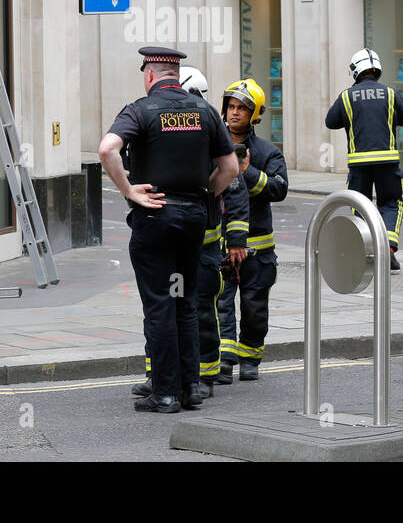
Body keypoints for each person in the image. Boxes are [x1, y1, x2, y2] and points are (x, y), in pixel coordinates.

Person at [100, 47, 237, 413]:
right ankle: (191, 386)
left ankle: (164, 393)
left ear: (149, 75)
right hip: (193, 221)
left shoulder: (139, 111)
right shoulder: (205, 112)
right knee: (185, 302)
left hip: (155, 219)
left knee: (160, 304)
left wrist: (129, 191)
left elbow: (107, 150)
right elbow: (231, 168)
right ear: (176, 76)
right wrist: (207, 192)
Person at [129, 66, 249, 401]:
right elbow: (228, 177)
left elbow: (234, 189)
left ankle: (196, 379)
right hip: (195, 239)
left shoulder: (205, 134)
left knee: (184, 309)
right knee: (178, 308)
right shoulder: (206, 127)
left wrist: (237, 239)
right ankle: (170, 379)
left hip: (201, 248)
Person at [215, 78, 287, 382]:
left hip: (258, 247)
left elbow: (279, 189)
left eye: (242, 109)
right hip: (219, 243)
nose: (234, 113)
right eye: (231, 107)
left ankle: (250, 357)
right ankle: (224, 359)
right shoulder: (212, 146)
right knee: (221, 303)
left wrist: (248, 171)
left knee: (255, 307)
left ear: (254, 113)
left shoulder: (267, 152)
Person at [324, 48, 403, 270]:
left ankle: (366, 252)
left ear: (355, 70)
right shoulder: (391, 93)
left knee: (360, 206)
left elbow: (331, 121)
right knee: (391, 204)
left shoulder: (346, 96)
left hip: (359, 164)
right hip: (388, 162)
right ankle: (389, 248)